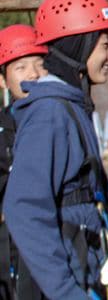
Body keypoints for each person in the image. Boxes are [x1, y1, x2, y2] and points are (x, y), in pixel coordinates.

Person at [4, 0, 108, 298]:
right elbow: (24, 209)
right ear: (79, 46)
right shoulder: (50, 113)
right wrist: (66, 293)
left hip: (85, 272)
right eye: (104, 45)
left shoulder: (72, 106)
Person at [0, 25, 47, 299]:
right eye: (21, 67)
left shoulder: (60, 118)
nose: (33, 74)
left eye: (40, 65)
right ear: (3, 80)